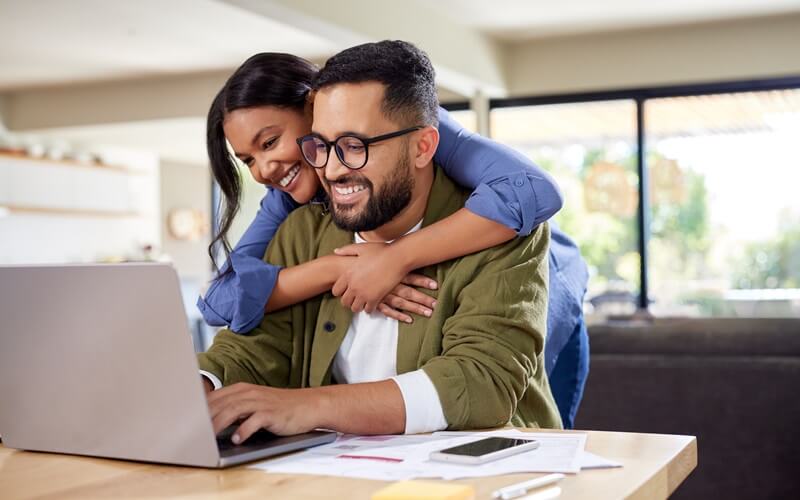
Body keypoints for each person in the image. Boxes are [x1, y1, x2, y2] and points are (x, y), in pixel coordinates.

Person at [198, 52, 589, 428]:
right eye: (322, 146)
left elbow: (480, 383)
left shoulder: (501, 218)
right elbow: (237, 322)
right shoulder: (295, 219)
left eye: (354, 145)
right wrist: (195, 387)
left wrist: (394, 258)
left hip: (555, 279)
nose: (331, 169)